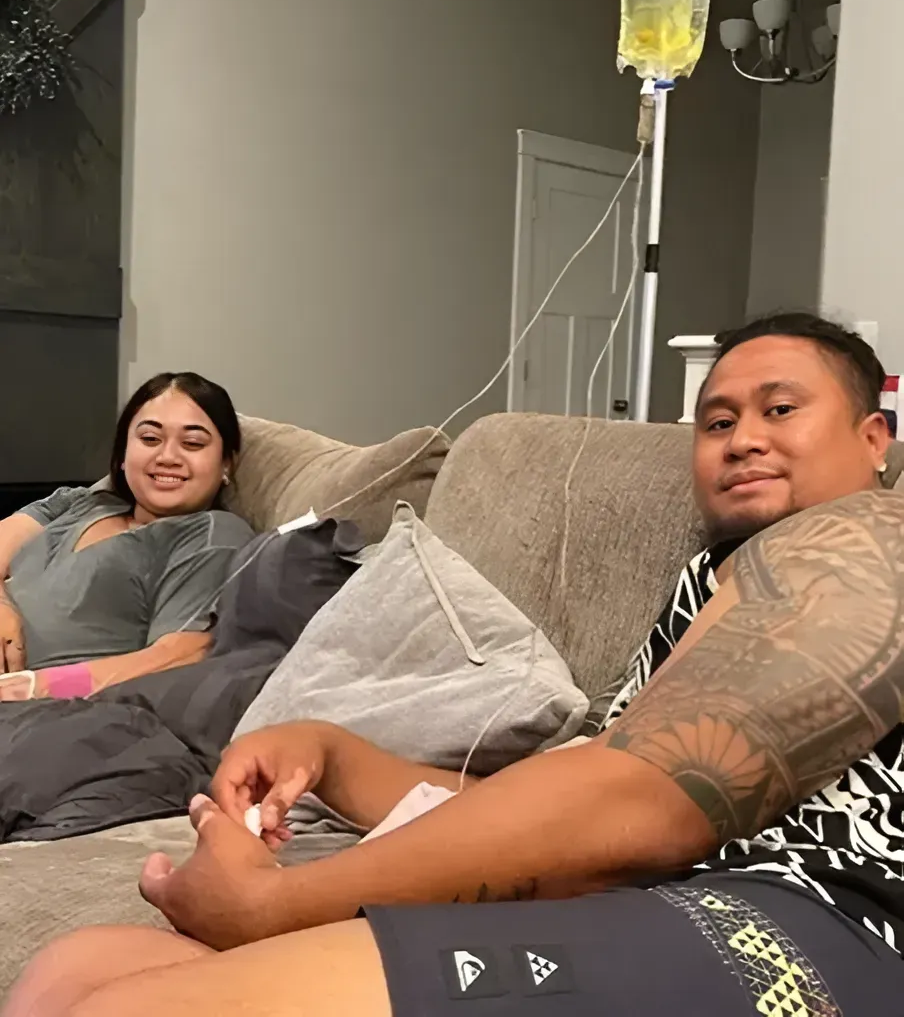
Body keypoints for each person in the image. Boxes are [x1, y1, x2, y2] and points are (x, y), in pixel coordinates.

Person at [8, 313, 904, 1017]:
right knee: (78, 970)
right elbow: (567, 824)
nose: (743, 436)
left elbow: (653, 803)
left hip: (811, 930)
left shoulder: (870, 536)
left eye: (779, 409)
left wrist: (280, 904)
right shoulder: (706, 585)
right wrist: (332, 752)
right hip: (637, 902)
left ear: (873, 440)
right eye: (718, 419)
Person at [0, 372, 254, 702]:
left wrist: (34, 687)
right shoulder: (83, 503)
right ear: (122, 456)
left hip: (42, 713)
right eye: (150, 439)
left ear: (226, 465)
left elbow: (178, 658)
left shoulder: (212, 537)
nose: (167, 456)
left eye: (192, 443)